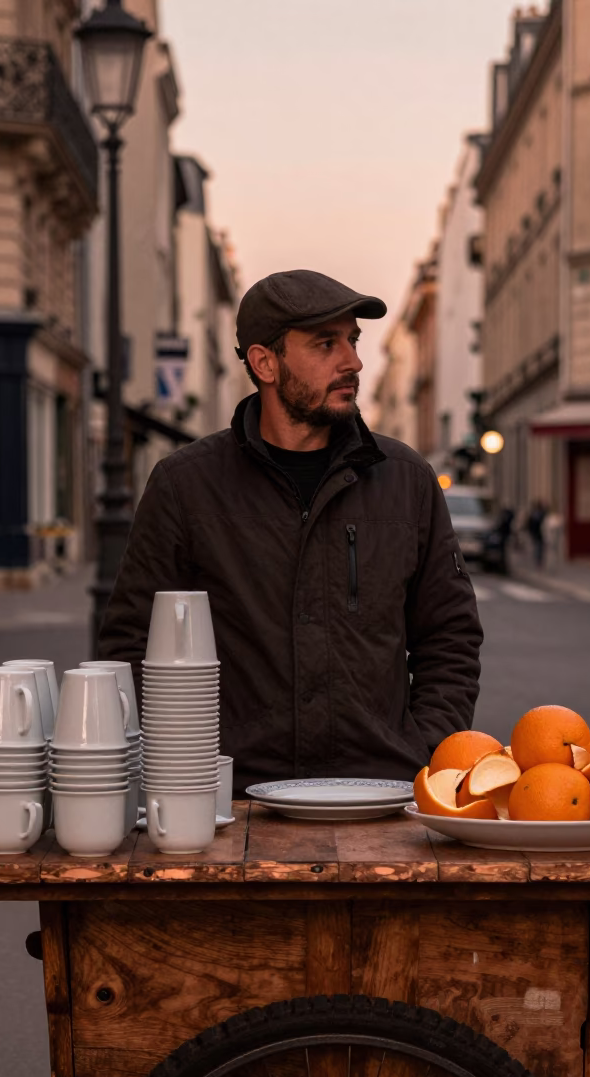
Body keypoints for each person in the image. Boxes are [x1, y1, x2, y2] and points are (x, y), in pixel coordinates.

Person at [99, 269, 483, 792]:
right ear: (265, 363)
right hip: (233, 798)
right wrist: (185, 767)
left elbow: (450, 634)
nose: (353, 361)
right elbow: (132, 643)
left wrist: (427, 746)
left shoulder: (406, 479)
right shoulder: (185, 485)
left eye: (352, 340)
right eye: (326, 344)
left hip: (379, 793)